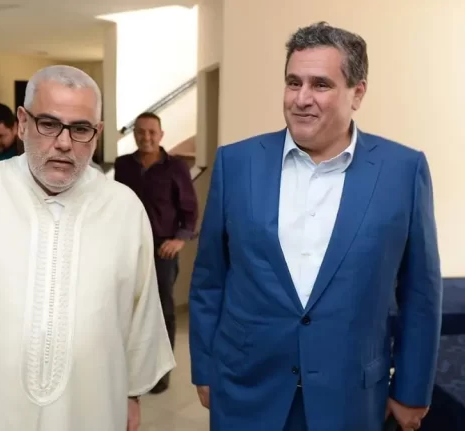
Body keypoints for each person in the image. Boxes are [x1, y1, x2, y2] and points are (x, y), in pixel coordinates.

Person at [0, 65, 175, 431]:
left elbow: (139, 311)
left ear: (97, 133)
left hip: (91, 409)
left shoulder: (124, 210)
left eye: (80, 128)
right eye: (49, 124)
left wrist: (131, 395)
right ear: (23, 123)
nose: (64, 142)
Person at [188, 22, 442, 431]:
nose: (301, 99)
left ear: (357, 93)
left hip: (351, 397)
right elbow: (209, 280)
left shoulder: (402, 171)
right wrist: (204, 366)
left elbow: (421, 294)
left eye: (321, 85)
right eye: (293, 82)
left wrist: (412, 390)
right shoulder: (236, 164)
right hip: (247, 390)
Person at [114, 111, 198, 393]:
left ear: (161, 135)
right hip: (129, 247)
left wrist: (179, 240)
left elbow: (189, 211)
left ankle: (160, 373)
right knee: (128, 307)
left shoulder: (176, 167)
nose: (146, 137)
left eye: (152, 132)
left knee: (162, 311)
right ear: (134, 134)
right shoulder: (123, 165)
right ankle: (131, 369)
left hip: (163, 250)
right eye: (140, 131)